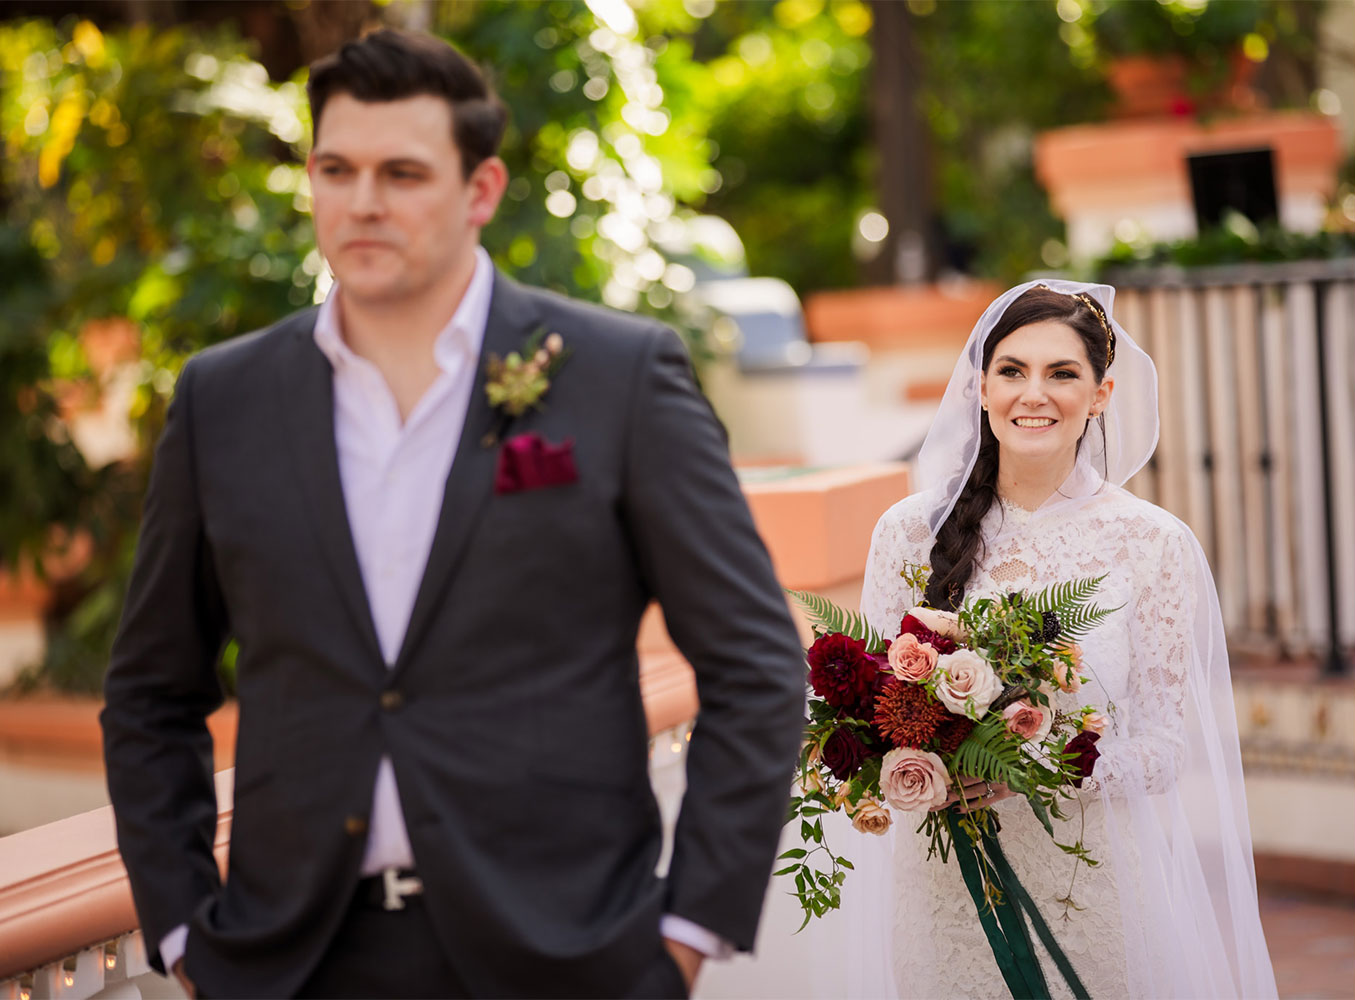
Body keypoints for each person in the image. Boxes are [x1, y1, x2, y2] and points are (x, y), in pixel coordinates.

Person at [99, 29, 805, 998]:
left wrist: (681, 937)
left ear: (479, 191)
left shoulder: (616, 378)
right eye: (334, 168)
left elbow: (755, 666)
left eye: (401, 172)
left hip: (563, 956)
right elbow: (150, 694)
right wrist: (184, 933)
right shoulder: (223, 400)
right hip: (293, 960)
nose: (362, 203)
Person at [842, 280, 1276, 997]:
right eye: (1012, 371)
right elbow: (876, 708)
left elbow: (1164, 751)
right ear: (981, 388)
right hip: (947, 892)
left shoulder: (1152, 544)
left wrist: (1030, 771)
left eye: (1062, 374)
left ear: (1101, 393)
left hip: (1092, 884)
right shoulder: (908, 534)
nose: (1032, 394)